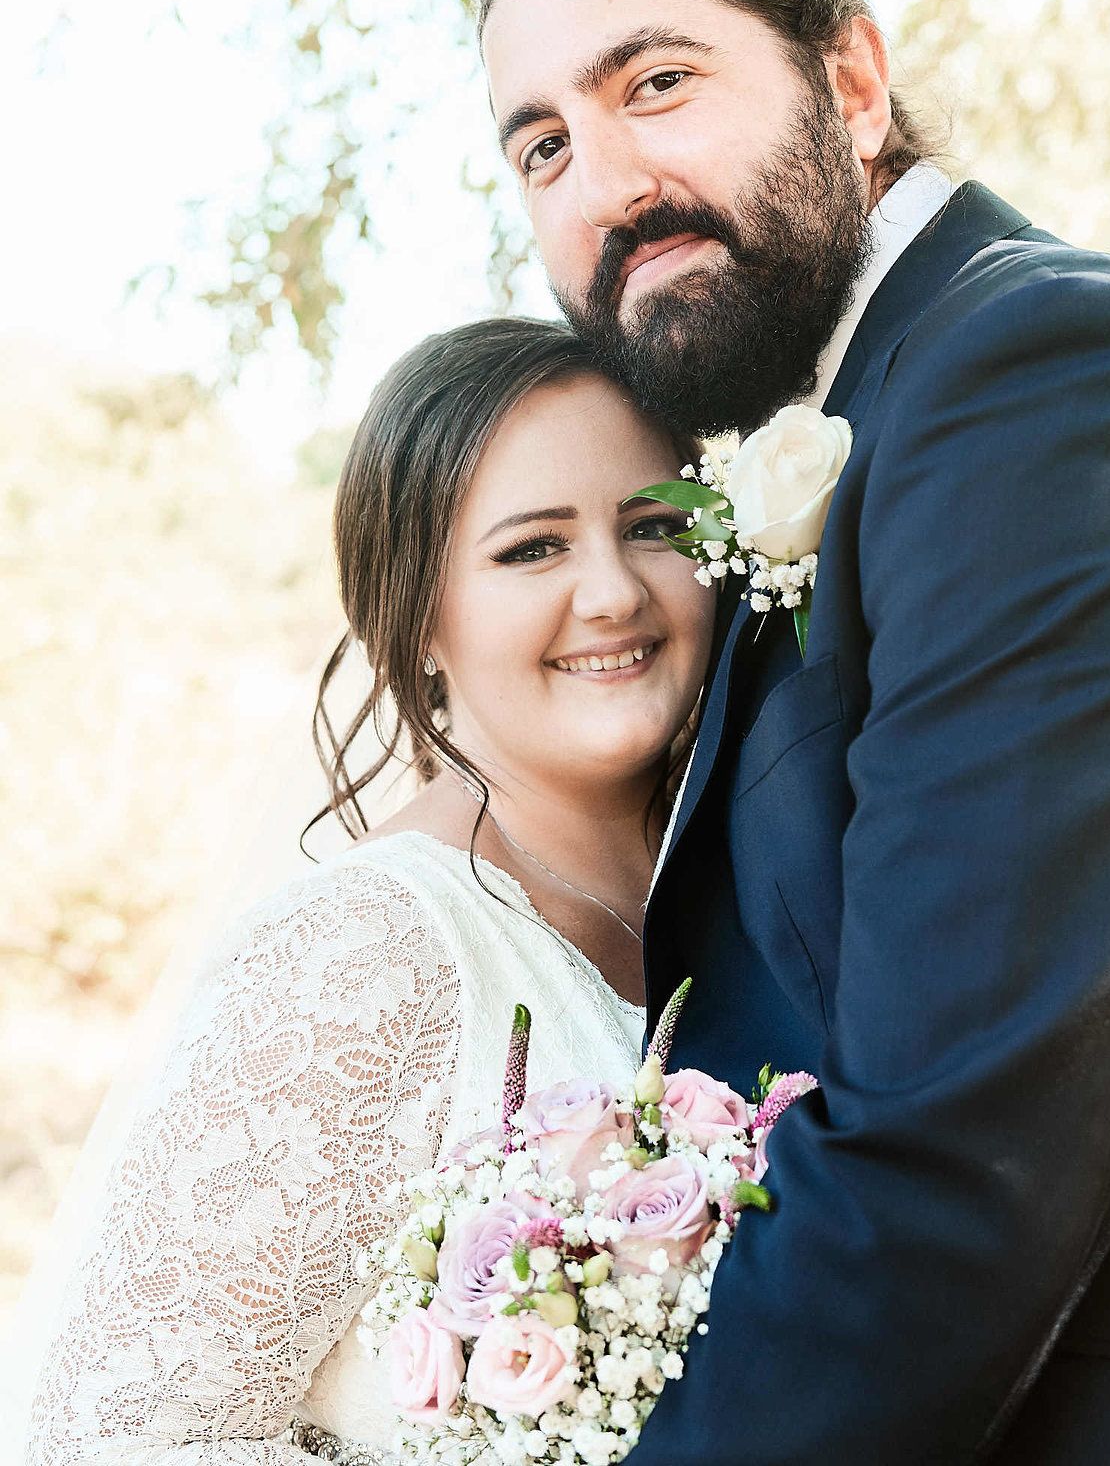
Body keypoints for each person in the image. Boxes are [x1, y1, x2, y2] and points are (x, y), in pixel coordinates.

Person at [478, 0, 1110, 1463]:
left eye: (655, 83)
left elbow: (962, 1159)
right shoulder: (850, 418)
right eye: (542, 148)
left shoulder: (1036, 370)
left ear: (852, 82)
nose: (604, 181)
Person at [25, 316, 715, 1462]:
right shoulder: (363, 956)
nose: (612, 593)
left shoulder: (750, 876)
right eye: (533, 549)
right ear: (422, 620)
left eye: (652, 527)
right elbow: (113, 1441)